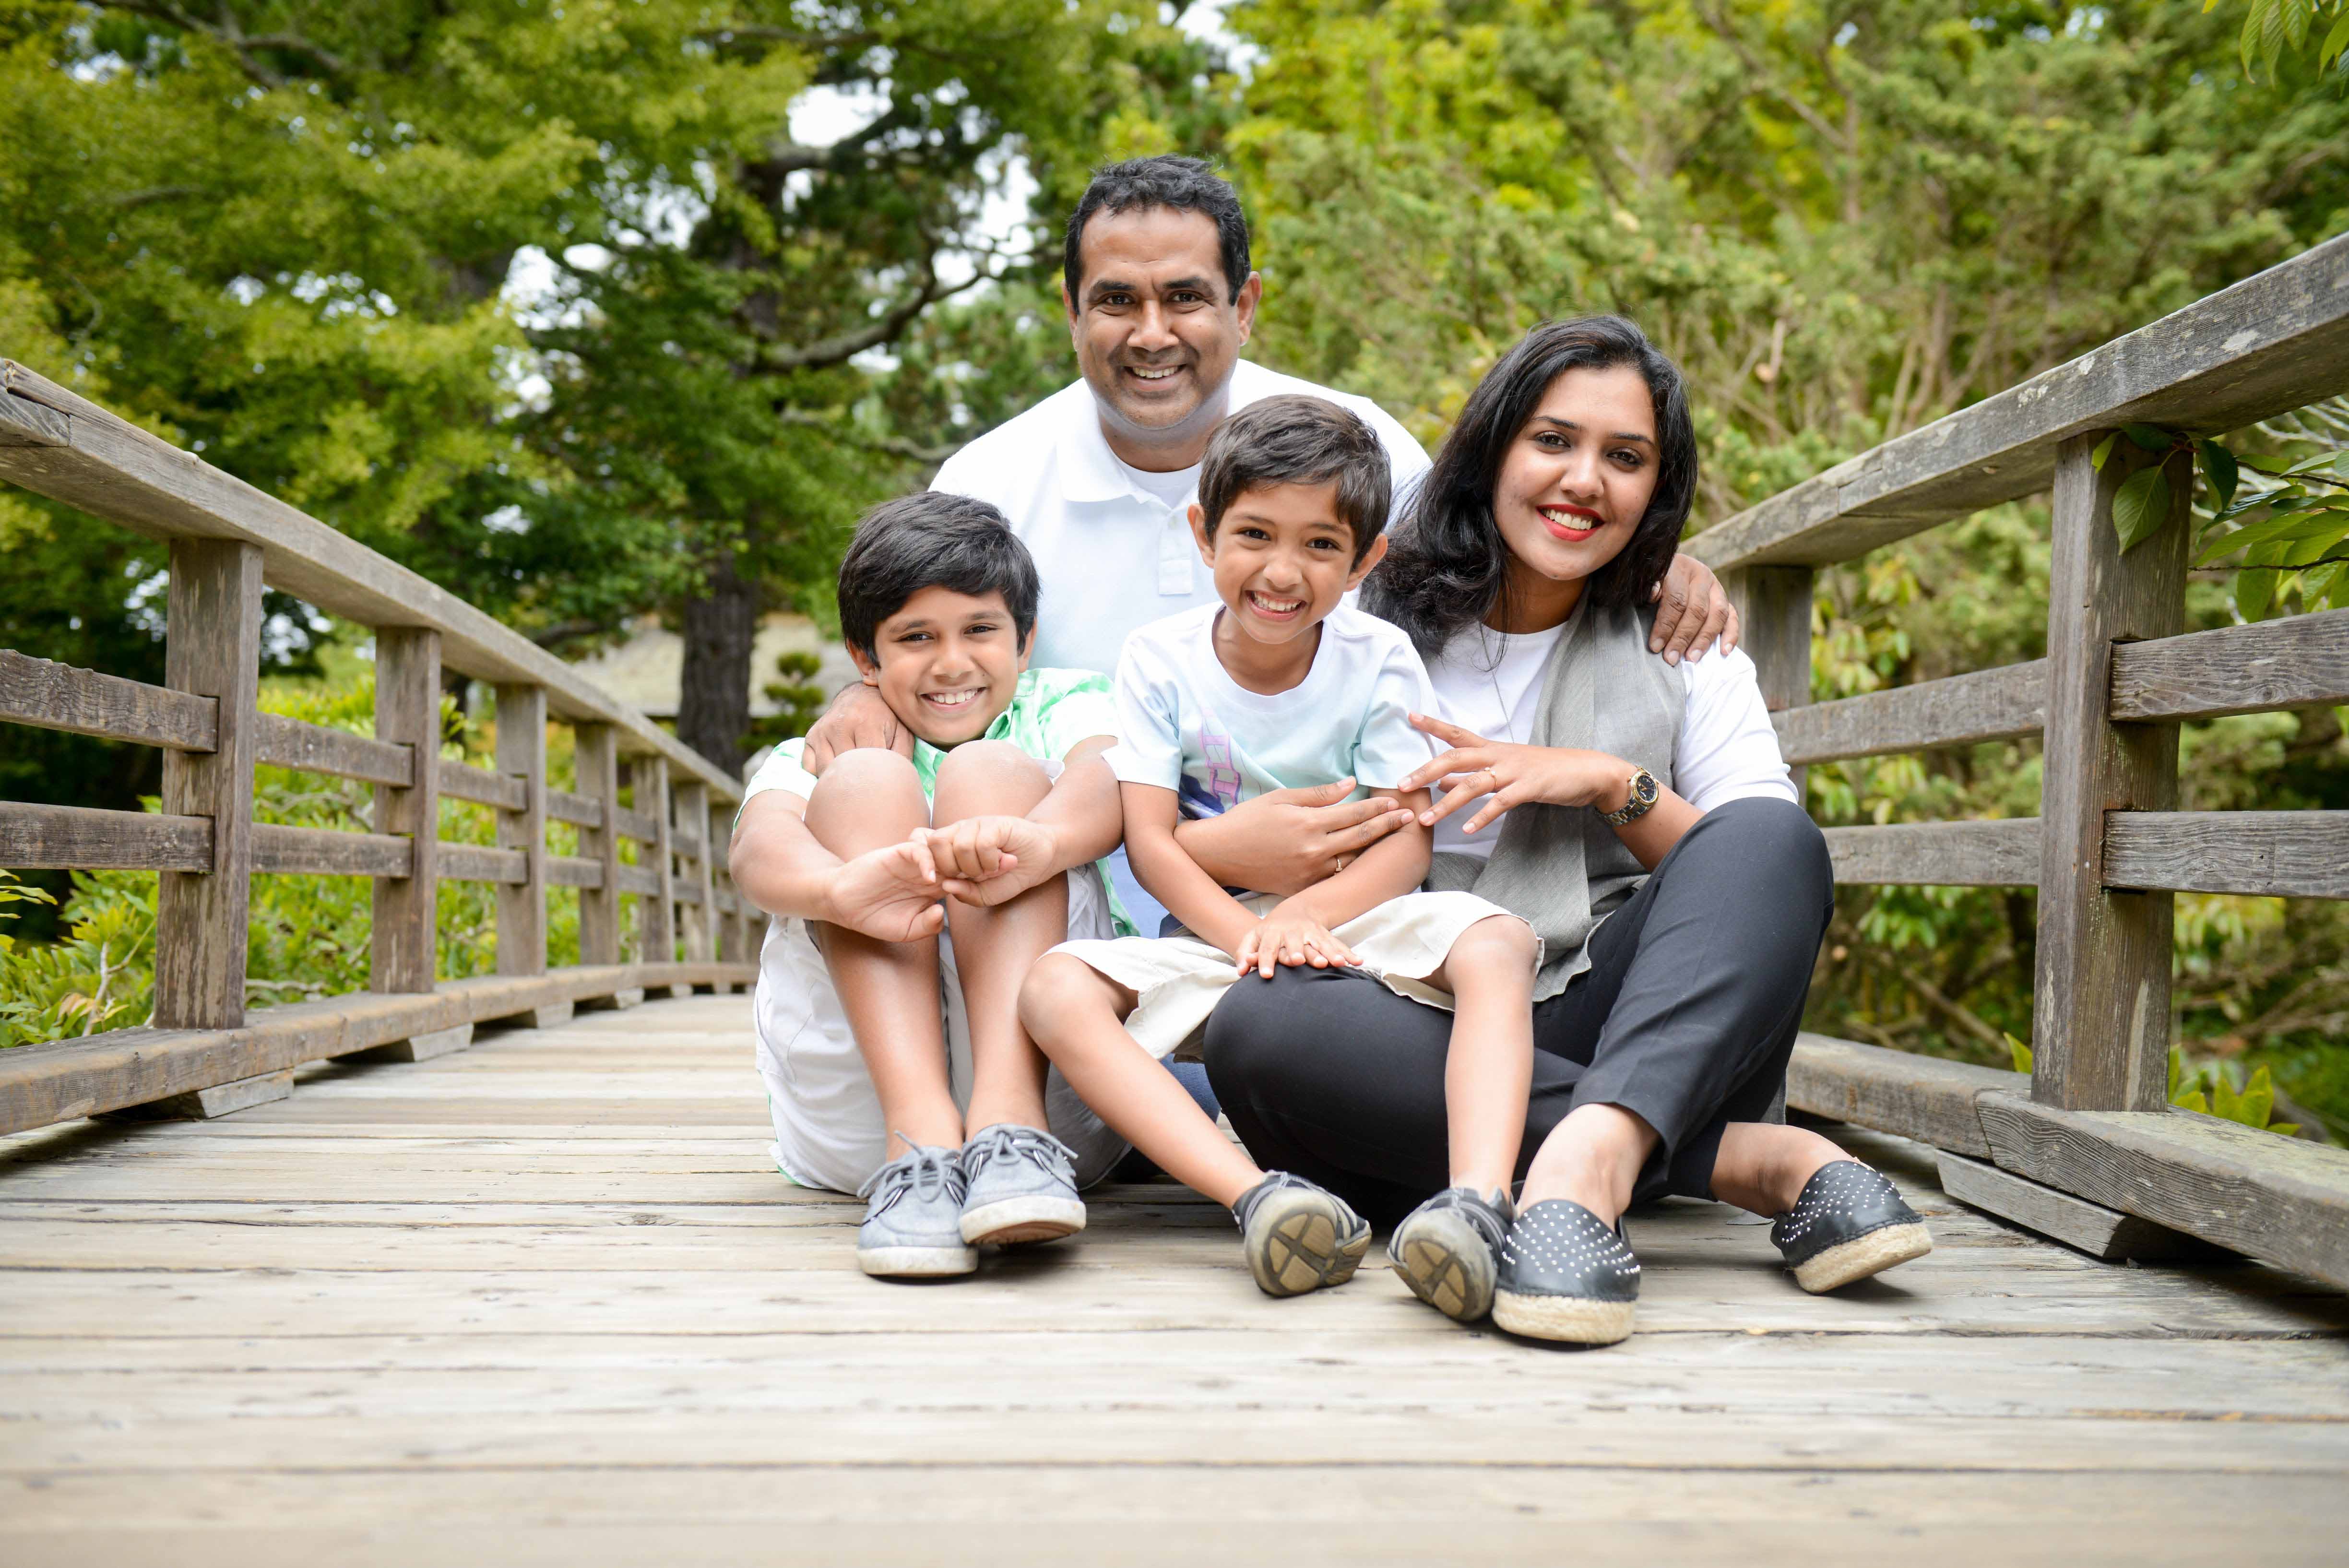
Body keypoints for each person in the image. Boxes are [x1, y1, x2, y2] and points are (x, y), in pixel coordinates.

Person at [797, 157, 1743, 1073]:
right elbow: (924, 637)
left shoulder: (1359, 444)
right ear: (1071, 309)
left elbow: (1500, 545)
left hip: (1322, 923)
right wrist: (866, 695)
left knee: (1293, 1046)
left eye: (1187, 297)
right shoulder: (989, 481)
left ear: (1245, 306)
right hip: (1070, 910)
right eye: (1118, 299)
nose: (1151, 331)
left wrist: (1658, 561)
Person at [1198, 317, 1934, 1346]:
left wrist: (1607, 784)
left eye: (1624, 458)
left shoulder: (1683, 642)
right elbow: (1177, 772)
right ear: (1493, 449)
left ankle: (1585, 1163)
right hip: (1412, 1023)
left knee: (1774, 835)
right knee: (1257, 1025)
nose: (1584, 479)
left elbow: (1747, 883)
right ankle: (1750, 1161)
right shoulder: (1354, 621)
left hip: (1626, 1012)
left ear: (1657, 489)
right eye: (1553, 441)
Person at [1017, 396, 1542, 1299]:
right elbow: (1151, 843)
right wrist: (1247, 936)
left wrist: (1299, 919)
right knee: (1054, 987)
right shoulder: (1158, 658)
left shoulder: (1376, 657)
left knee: (1498, 942)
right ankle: (1261, 1200)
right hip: (1218, 935)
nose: (1282, 571)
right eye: (1255, 534)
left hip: (1354, 921)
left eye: (1321, 546)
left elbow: (1405, 843)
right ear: (1203, 532)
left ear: (1365, 560)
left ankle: (1478, 1203)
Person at [727, 494, 1136, 1280]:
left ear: (1025, 641)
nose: (952, 663)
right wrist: (841, 889)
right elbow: (758, 847)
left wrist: (1038, 842)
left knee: (990, 772)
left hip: (1058, 1109)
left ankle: (1007, 1123)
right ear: (866, 659)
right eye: (916, 638)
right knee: (859, 785)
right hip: (861, 1116)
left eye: (979, 630)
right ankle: (920, 1140)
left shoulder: (1065, 707)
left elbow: (1108, 784)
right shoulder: (836, 743)